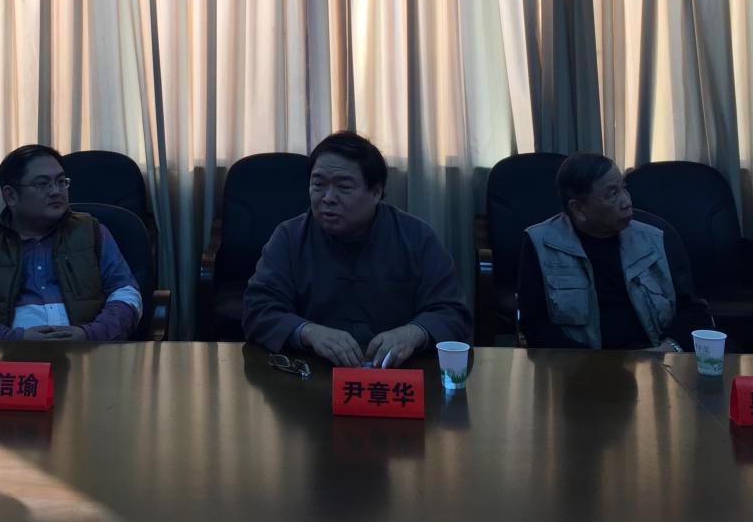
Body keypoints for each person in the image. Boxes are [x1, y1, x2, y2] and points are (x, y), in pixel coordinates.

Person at [242, 131, 472, 367]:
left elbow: (452, 313)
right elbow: (258, 309)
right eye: (318, 184)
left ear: (376, 192)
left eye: (343, 187)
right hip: (313, 371)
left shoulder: (417, 238)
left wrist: (414, 333)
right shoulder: (289, 237)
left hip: (396, 374)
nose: (328, 198)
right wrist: (308, 332)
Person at [0, 144, 142, 341]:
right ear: (11, 195)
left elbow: (126, 294)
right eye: (42, 184)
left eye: (61, 181)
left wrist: (90, 335)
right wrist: (13, 340)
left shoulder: (93, 232)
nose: (56, 191)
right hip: (9, 359)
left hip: (89, 354)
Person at [517, 151, 713, 351]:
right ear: (578, 209)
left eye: (624, 188)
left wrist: (668, 348)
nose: (627, 201)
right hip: (579, 364)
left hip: (652, 359)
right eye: (612, 194)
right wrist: (594, 363)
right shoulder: (541, 243)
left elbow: (694, 312)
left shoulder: (655, 238)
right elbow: (534, 326)